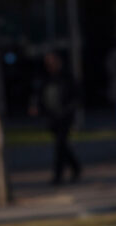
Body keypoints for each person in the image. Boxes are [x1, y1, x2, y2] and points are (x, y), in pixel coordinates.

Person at [29, 51, 81, 185]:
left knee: (60, 145)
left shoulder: (66, 77)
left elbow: (75, 96)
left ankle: (58, 176)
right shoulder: (45, 78)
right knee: (62, 145)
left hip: (64, 116)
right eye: (48, 62)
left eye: (52, 61)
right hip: (52, 117)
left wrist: (69, 110)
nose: (50, 65)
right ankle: (75, 167)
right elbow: (40, 96)